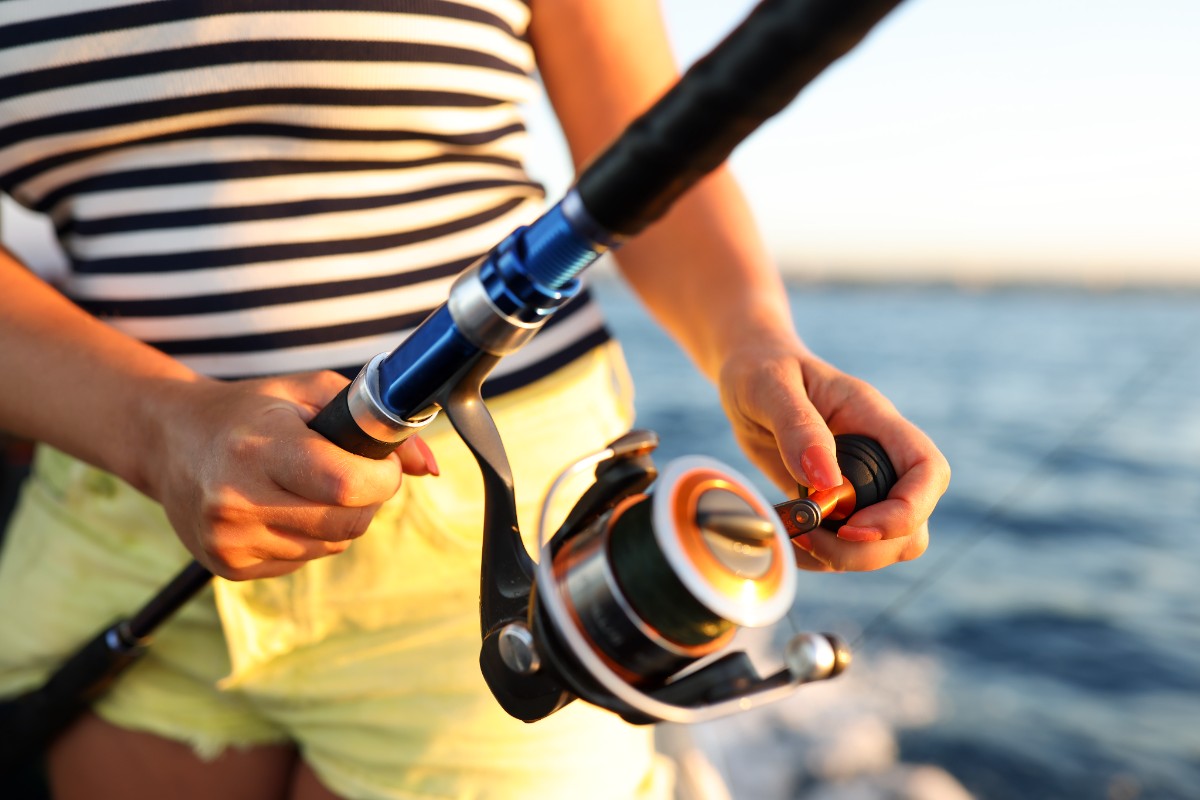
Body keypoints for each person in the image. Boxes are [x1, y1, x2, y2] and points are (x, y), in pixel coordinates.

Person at [0, 1, 949, 799]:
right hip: (118, 497)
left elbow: (655, 140)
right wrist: (156, 427)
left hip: (509, 537)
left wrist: (756, 342)